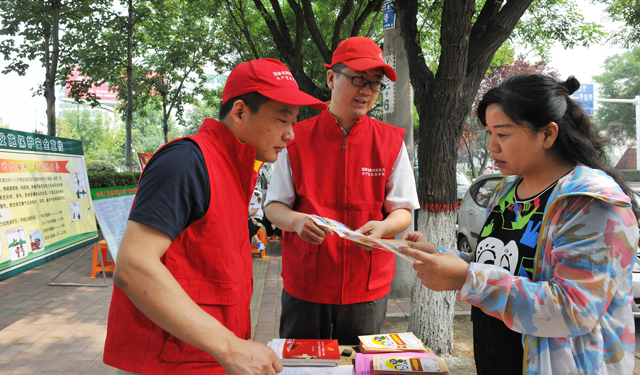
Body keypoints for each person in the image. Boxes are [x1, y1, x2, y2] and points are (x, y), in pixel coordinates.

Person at [398, 74, 639, 374]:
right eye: (489, 133)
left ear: (547, 135)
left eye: (504, 134)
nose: (492, 147)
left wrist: (467, 278)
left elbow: (575, 308)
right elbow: (503, 263)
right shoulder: (507, 190)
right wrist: (441, 256)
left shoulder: (590, 202)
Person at [103, 58, 327, 375]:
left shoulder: (237, 169)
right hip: (167, 364)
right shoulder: (186, 162)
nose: (291, 134)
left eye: (294, 122)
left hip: (205, 358)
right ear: (239, 113)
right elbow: (134, 265)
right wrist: (231, 346)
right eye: (281, 120)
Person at [265, 36, 420, 344]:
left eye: (375, 84)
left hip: (366, 285)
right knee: (304, 366)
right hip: (307, 284)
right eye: (358, 79)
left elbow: (403, 209)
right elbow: (273, 207)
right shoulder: (296, 139)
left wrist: (385, 226)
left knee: (359, 365)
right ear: (331, 78)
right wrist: (296, 221)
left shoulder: (390, 142)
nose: (366, 91)